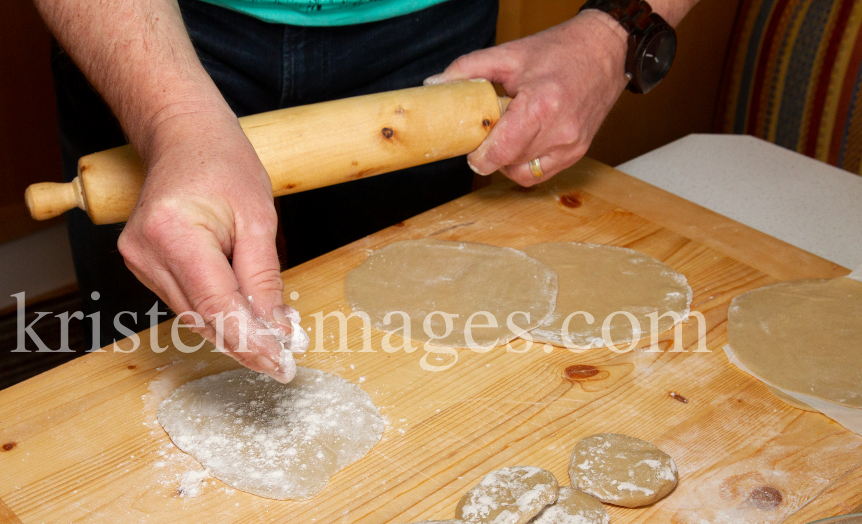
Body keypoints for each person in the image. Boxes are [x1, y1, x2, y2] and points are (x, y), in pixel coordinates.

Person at [34, 0, 698, 375]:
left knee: (420, 361)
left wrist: (621, 28)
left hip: (432, 39)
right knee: (152, 357)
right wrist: (172, 117)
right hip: (147, 30)